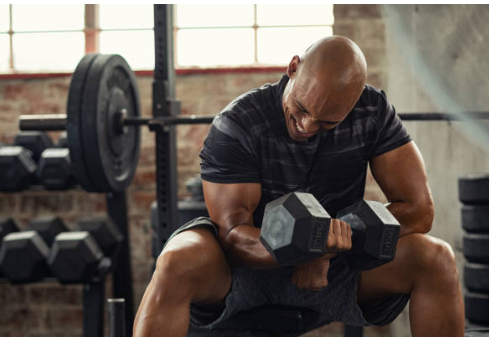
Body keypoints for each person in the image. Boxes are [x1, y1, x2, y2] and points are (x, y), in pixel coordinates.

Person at [133, 36, 464, 337]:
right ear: (293, 68)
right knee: (176, 261)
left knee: (436, 258)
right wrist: (305, 248)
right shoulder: (239, 122)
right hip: (245, 270)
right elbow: (233, 237)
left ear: (353, 103)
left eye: (326, 122)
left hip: (337, 270)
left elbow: (419, 210)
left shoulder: (372, 113)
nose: (307, 125)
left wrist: (326, 247)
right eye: (302, 109)